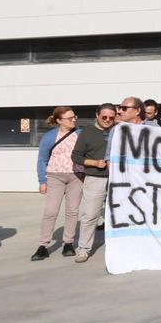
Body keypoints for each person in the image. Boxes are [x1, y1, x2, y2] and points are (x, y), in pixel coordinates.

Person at [32, 106, 83, 261]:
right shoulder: (49, 136)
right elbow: (42, 159)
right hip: (55, 177)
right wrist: (42, 181)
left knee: (72, 211)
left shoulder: (80, 134)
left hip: (76, 177)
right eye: (69, 118)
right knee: (50, 211)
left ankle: (68, 243)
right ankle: (43, 245)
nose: (73, 120)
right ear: (59, 120)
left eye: (74, 117)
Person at [71, 104, 116, 263]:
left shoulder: (118, 130)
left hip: (118, 179)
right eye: (104, 117)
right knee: (90, 215)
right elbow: (76, 156)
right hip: (95, 178)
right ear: (97, 115)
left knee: (119, 216)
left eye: (111, 117)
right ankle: (83, 249)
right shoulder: (87, 132)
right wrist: (94, 163)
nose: (108, 120)